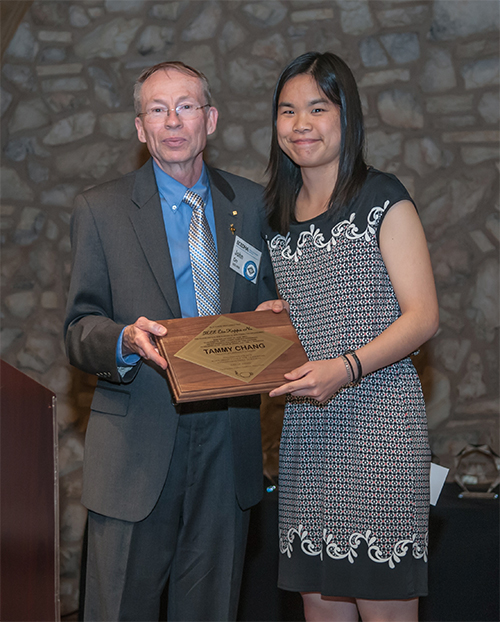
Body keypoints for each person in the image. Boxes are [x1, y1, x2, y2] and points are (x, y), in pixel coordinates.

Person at [64, 61, 276, 622]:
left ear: (210, 120)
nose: (172, 121)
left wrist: (276, 319)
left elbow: (272, 304)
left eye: (185, 107)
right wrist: (125, 341)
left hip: (227, 447)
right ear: (140, 128)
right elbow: (78, 330)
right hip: (137, 446)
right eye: (157, 109)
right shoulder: (100, 210)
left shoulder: (253, 206)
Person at [257, 52, 439, 622]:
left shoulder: (381, 197)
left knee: (383, 606)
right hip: (308, 437)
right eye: (287, 111)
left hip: (380, 428)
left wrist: (348, 366)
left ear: (346, 116)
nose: (301, 123)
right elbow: (321, 306)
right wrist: (278, 318)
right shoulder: (276, 216)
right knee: (320, 605)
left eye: (317, 107)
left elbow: (422, 317)